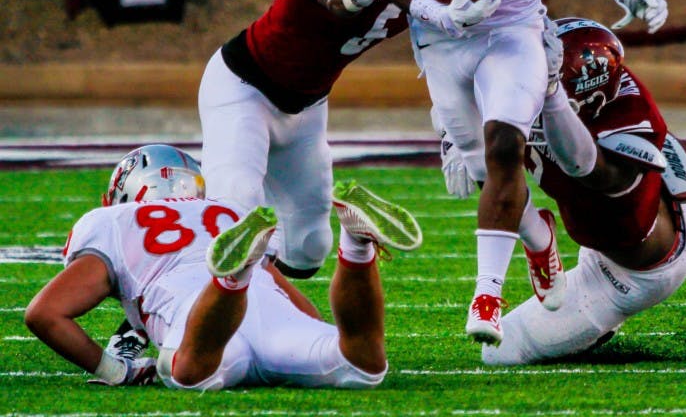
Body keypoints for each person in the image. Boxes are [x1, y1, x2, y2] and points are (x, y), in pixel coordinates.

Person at [380, 0, 668, 344]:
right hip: (443, 30)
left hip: (516, 23)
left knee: (506, 145)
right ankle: (539, 238)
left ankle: (486, 296)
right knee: (483, 167)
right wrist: (434, 9)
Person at [24, 144, 422, 390]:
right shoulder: (225, 212)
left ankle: (232, 277)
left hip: (197, 317)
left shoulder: (114, 222)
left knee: (189, 374)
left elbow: (44, 313)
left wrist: (116, 371)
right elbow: (306, 312)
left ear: (125, 191)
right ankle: (355, 245)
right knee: (361, 365)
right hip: (270, 309)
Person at [198, 0, 419, 279]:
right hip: (244, 87)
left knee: (307, 248)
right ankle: (164, 322)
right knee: (235, 213)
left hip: (307, 107)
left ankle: (268, 299)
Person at [476, 17, 686, 365]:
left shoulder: (627, 129)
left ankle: (599, 325)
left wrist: (548, 96)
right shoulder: (593, 83)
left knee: (497, 354)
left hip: (630, 274)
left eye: (542, 77)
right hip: (662, 198)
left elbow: (585, 168)